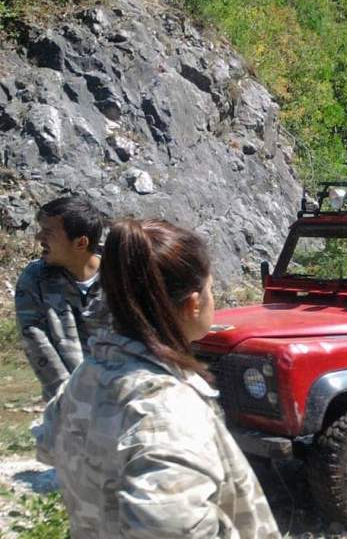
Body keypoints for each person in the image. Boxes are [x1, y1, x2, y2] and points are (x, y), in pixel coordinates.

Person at [36, 219, 280, 537]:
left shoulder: (89, 373)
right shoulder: (168, 413)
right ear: (193, 304)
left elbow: (48, 444)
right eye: (210, 288)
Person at [15, 196, 111, 400]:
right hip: (68, 401)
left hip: (124, 395)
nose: (38, 237)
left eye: (48, 232)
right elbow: (35, 338)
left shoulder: (122, 275)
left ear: (80, 243)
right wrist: (70, 399)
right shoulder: (35, 278)